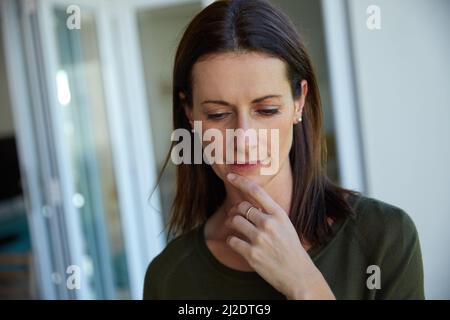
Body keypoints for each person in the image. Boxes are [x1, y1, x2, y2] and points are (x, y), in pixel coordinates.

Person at [143, 0, 424, 299]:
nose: (244, 139)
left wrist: (304, 284)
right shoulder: (169, 278)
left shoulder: (384, 238)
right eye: (217, 114)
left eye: (266, 110)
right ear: (190, 113)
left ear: (298, 102)